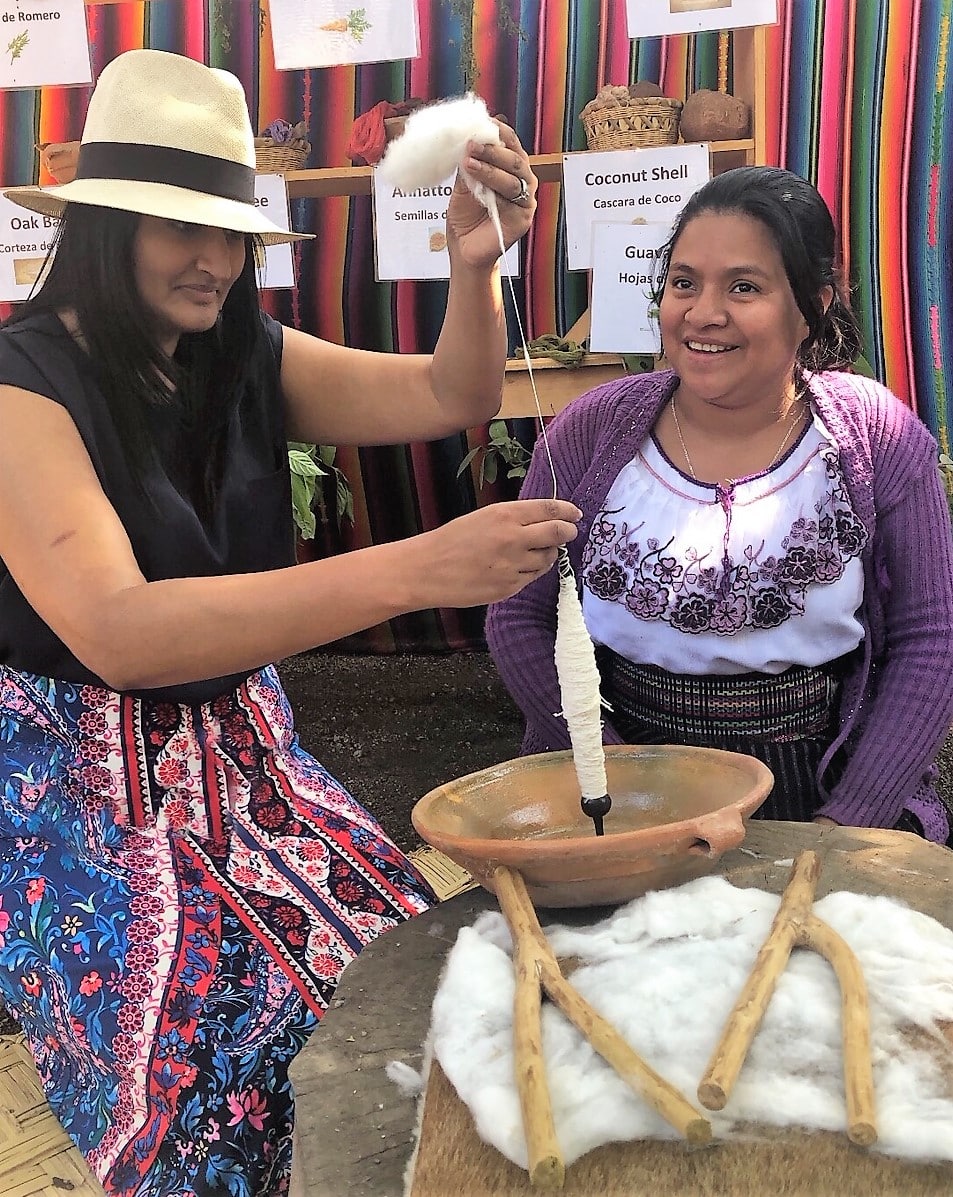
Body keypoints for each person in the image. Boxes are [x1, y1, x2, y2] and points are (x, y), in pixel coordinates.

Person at [0, 48, 580, 1197]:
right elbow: (119, 632)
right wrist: (414, 570)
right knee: (230, 1079)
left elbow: (444, 397)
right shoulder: (23, 388)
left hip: (248, 759)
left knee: (418, 984)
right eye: (182, 229)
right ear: (106, 224)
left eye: (230, 231)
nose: (216, 259)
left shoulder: (238, 357)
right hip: (83, 791)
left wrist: (476, 269)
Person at [486, 165, 953, 846]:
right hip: (624, 777)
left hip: (819, 783)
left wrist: (847, 823)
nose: (702, 313)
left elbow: (930, 639)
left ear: (812, 304)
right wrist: (605, 773)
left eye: (743, 286)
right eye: (683, 283)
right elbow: (517, 614)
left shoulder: (875, 436)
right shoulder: (593, 430)